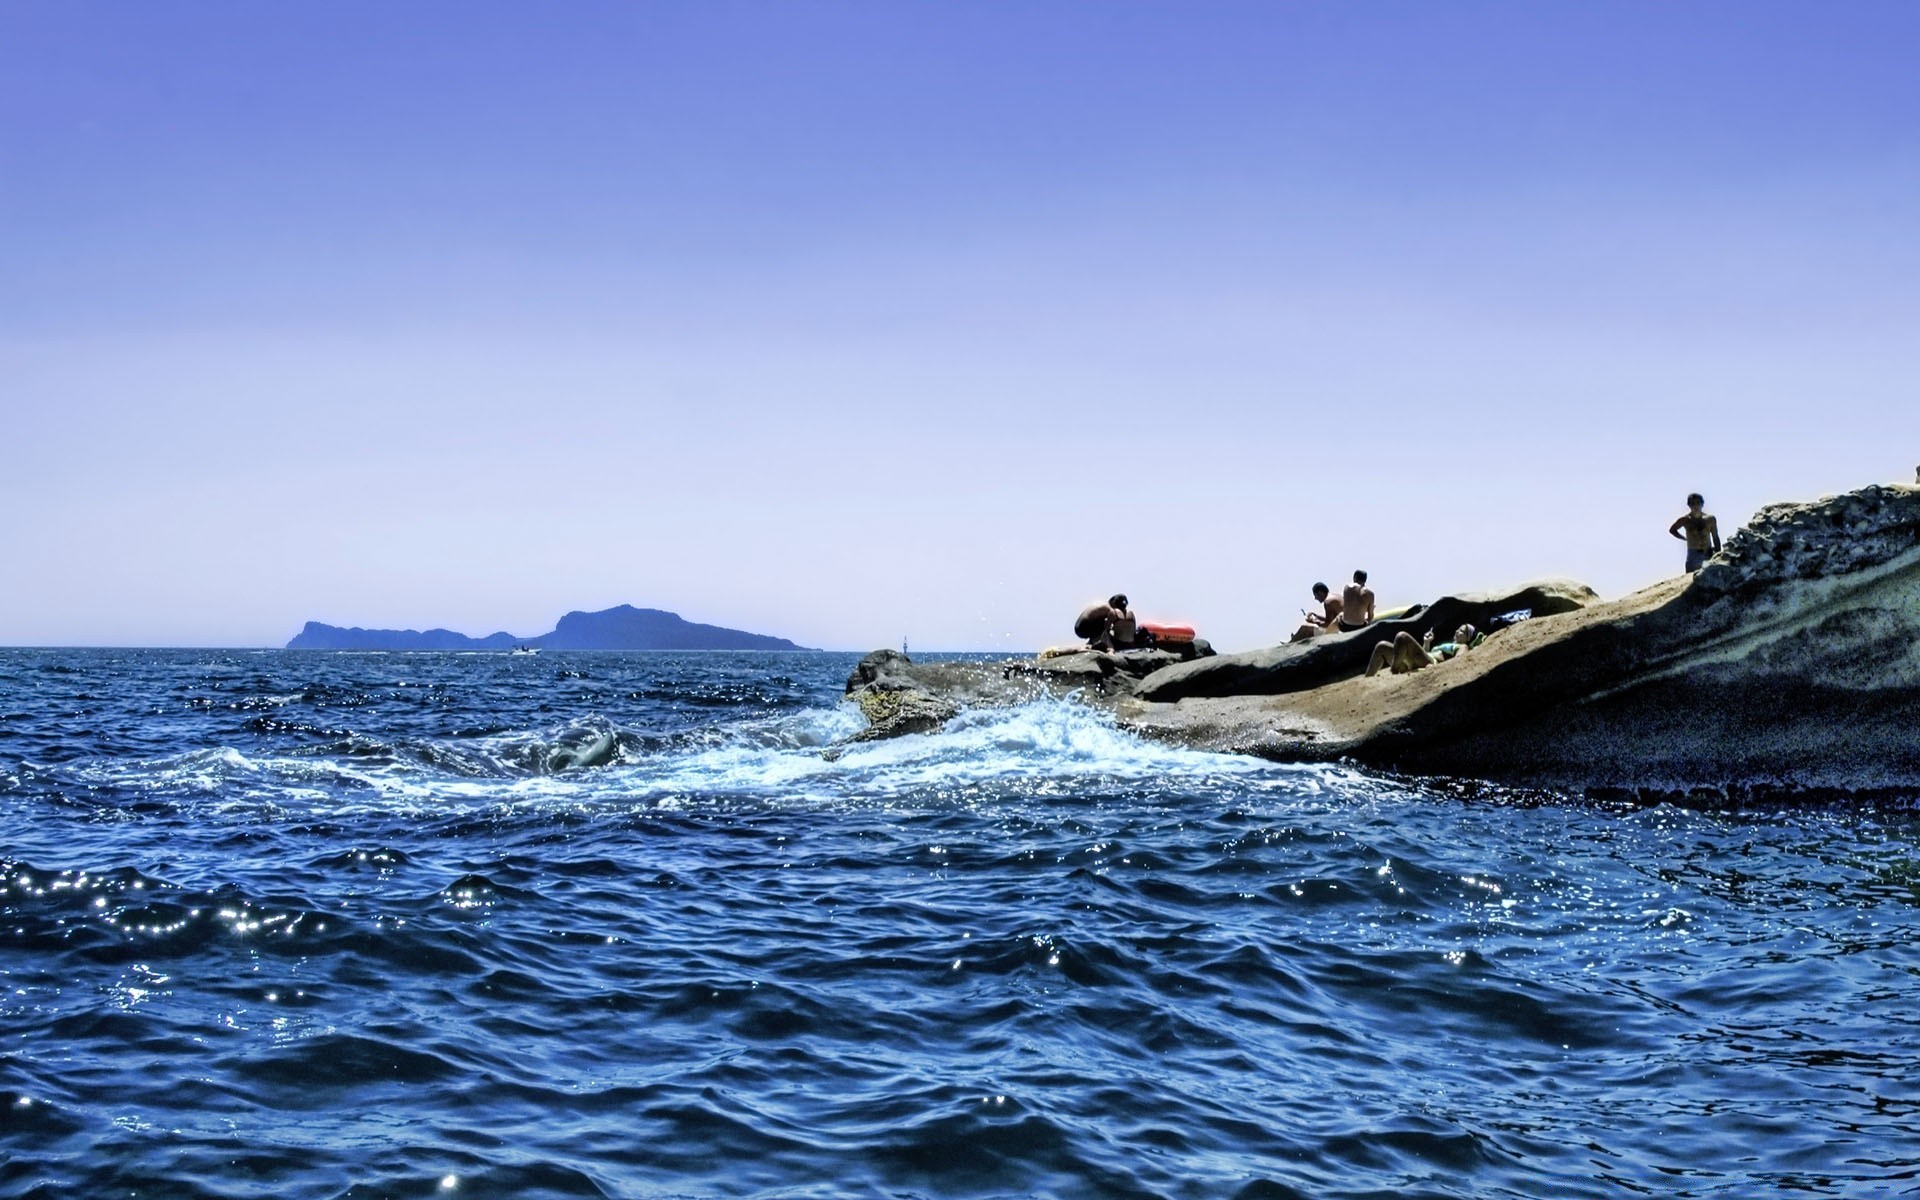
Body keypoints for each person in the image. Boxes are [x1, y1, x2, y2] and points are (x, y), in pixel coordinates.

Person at [1365, 624, 1478, 677]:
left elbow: (1460, 661)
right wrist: (1427, 642)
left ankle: (1394, 669)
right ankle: (1368, 679)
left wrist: (1437, 669)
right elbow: (1425, 653)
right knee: (1381, 646)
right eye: (1458, 628)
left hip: (1430, 663)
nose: (1457, 631)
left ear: (1468, 639)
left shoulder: (1462, 647)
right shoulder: (1446, 645)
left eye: (1462, 631)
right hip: (1420, 659)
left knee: (1402, 637)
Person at [1668, 493, 1721, 573]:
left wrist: (1718, 553)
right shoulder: (1685, 520)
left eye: (1698, 503)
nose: (1696, 506)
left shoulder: (1710, 519)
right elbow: (1672, 530)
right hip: (1693, 554)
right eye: (1693, 504)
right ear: (1689, 505)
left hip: (1707, 552)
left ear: (1702, 504)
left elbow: (1715, 537)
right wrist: (1684, 538)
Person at [1074, 593, 1141, 651]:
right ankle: (1101, 644)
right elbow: (1108, 625)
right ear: (1114, 604)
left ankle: (1092, 642)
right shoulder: (1109, 608)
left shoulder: (1103, 604)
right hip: (1083, 627)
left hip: (1079, 627)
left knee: (1102, 624)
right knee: (1105, 626)